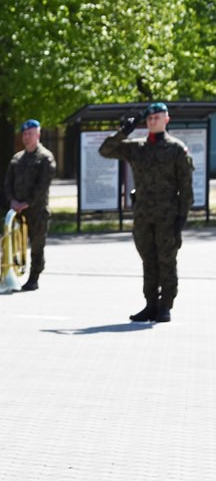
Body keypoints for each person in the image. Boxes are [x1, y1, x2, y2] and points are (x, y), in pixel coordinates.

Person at [99, 102, 194, 322]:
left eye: (157, 118)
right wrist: (124, 132)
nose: (153, 122)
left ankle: (165, 306)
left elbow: (186, 188)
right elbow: (105, 150)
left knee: (166, 260)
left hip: (167, 216)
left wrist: (181, 219)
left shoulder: (177, 149)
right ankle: (150, 304)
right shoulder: (137, 147)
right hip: (143, 215)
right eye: (149, 119)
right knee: (148, 260)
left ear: (166, 120)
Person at [3, 119, 56, 292]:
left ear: (38, 134)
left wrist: (27, 203)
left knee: (37, 245)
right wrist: (12, 200)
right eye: (24, 134)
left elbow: (43, 186)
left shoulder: (45, 157)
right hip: (17, 210)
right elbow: (7, 183)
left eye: (30, 133)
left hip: (37, 210)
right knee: (14, 245)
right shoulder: (17, 158)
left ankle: (34, 277)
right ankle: (12, 275)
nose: (26, 137)